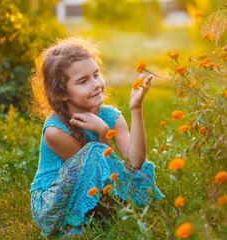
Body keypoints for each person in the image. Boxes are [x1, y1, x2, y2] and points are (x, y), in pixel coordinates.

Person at [29, 37, 164, 237]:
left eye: (96, 74)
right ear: (61, 93)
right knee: (94, 153)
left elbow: (135, 161)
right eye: (83, 81)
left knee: (139, 169)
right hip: (54, 203)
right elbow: (94, 173)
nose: (96, 85)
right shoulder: (55, 131)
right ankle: (93, 221)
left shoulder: (109, 116)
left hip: (96, 191)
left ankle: (109, 218)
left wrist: (135, 109)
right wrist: (103, 133)